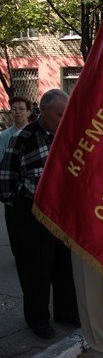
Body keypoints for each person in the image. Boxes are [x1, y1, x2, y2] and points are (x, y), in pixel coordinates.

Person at [0, 89, 79, 338]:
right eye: (59, 114)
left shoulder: (67, 135)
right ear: (42, 111)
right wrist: (19, 208)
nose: (63, 119)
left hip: (60, 213)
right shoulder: (23, 138)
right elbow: (6, 179)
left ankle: (66, 311)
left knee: (64, 266)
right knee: (36, 270)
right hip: (30, 214)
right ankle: (38, 319)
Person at [0, 97, 31, 256]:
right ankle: (18, 253)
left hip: (31, 189)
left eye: (21, 109)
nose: (17, 112)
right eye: (14, 109)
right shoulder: (4, 136)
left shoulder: (35, 134)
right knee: (14, 224)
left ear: (28, 112)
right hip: (12, 187)